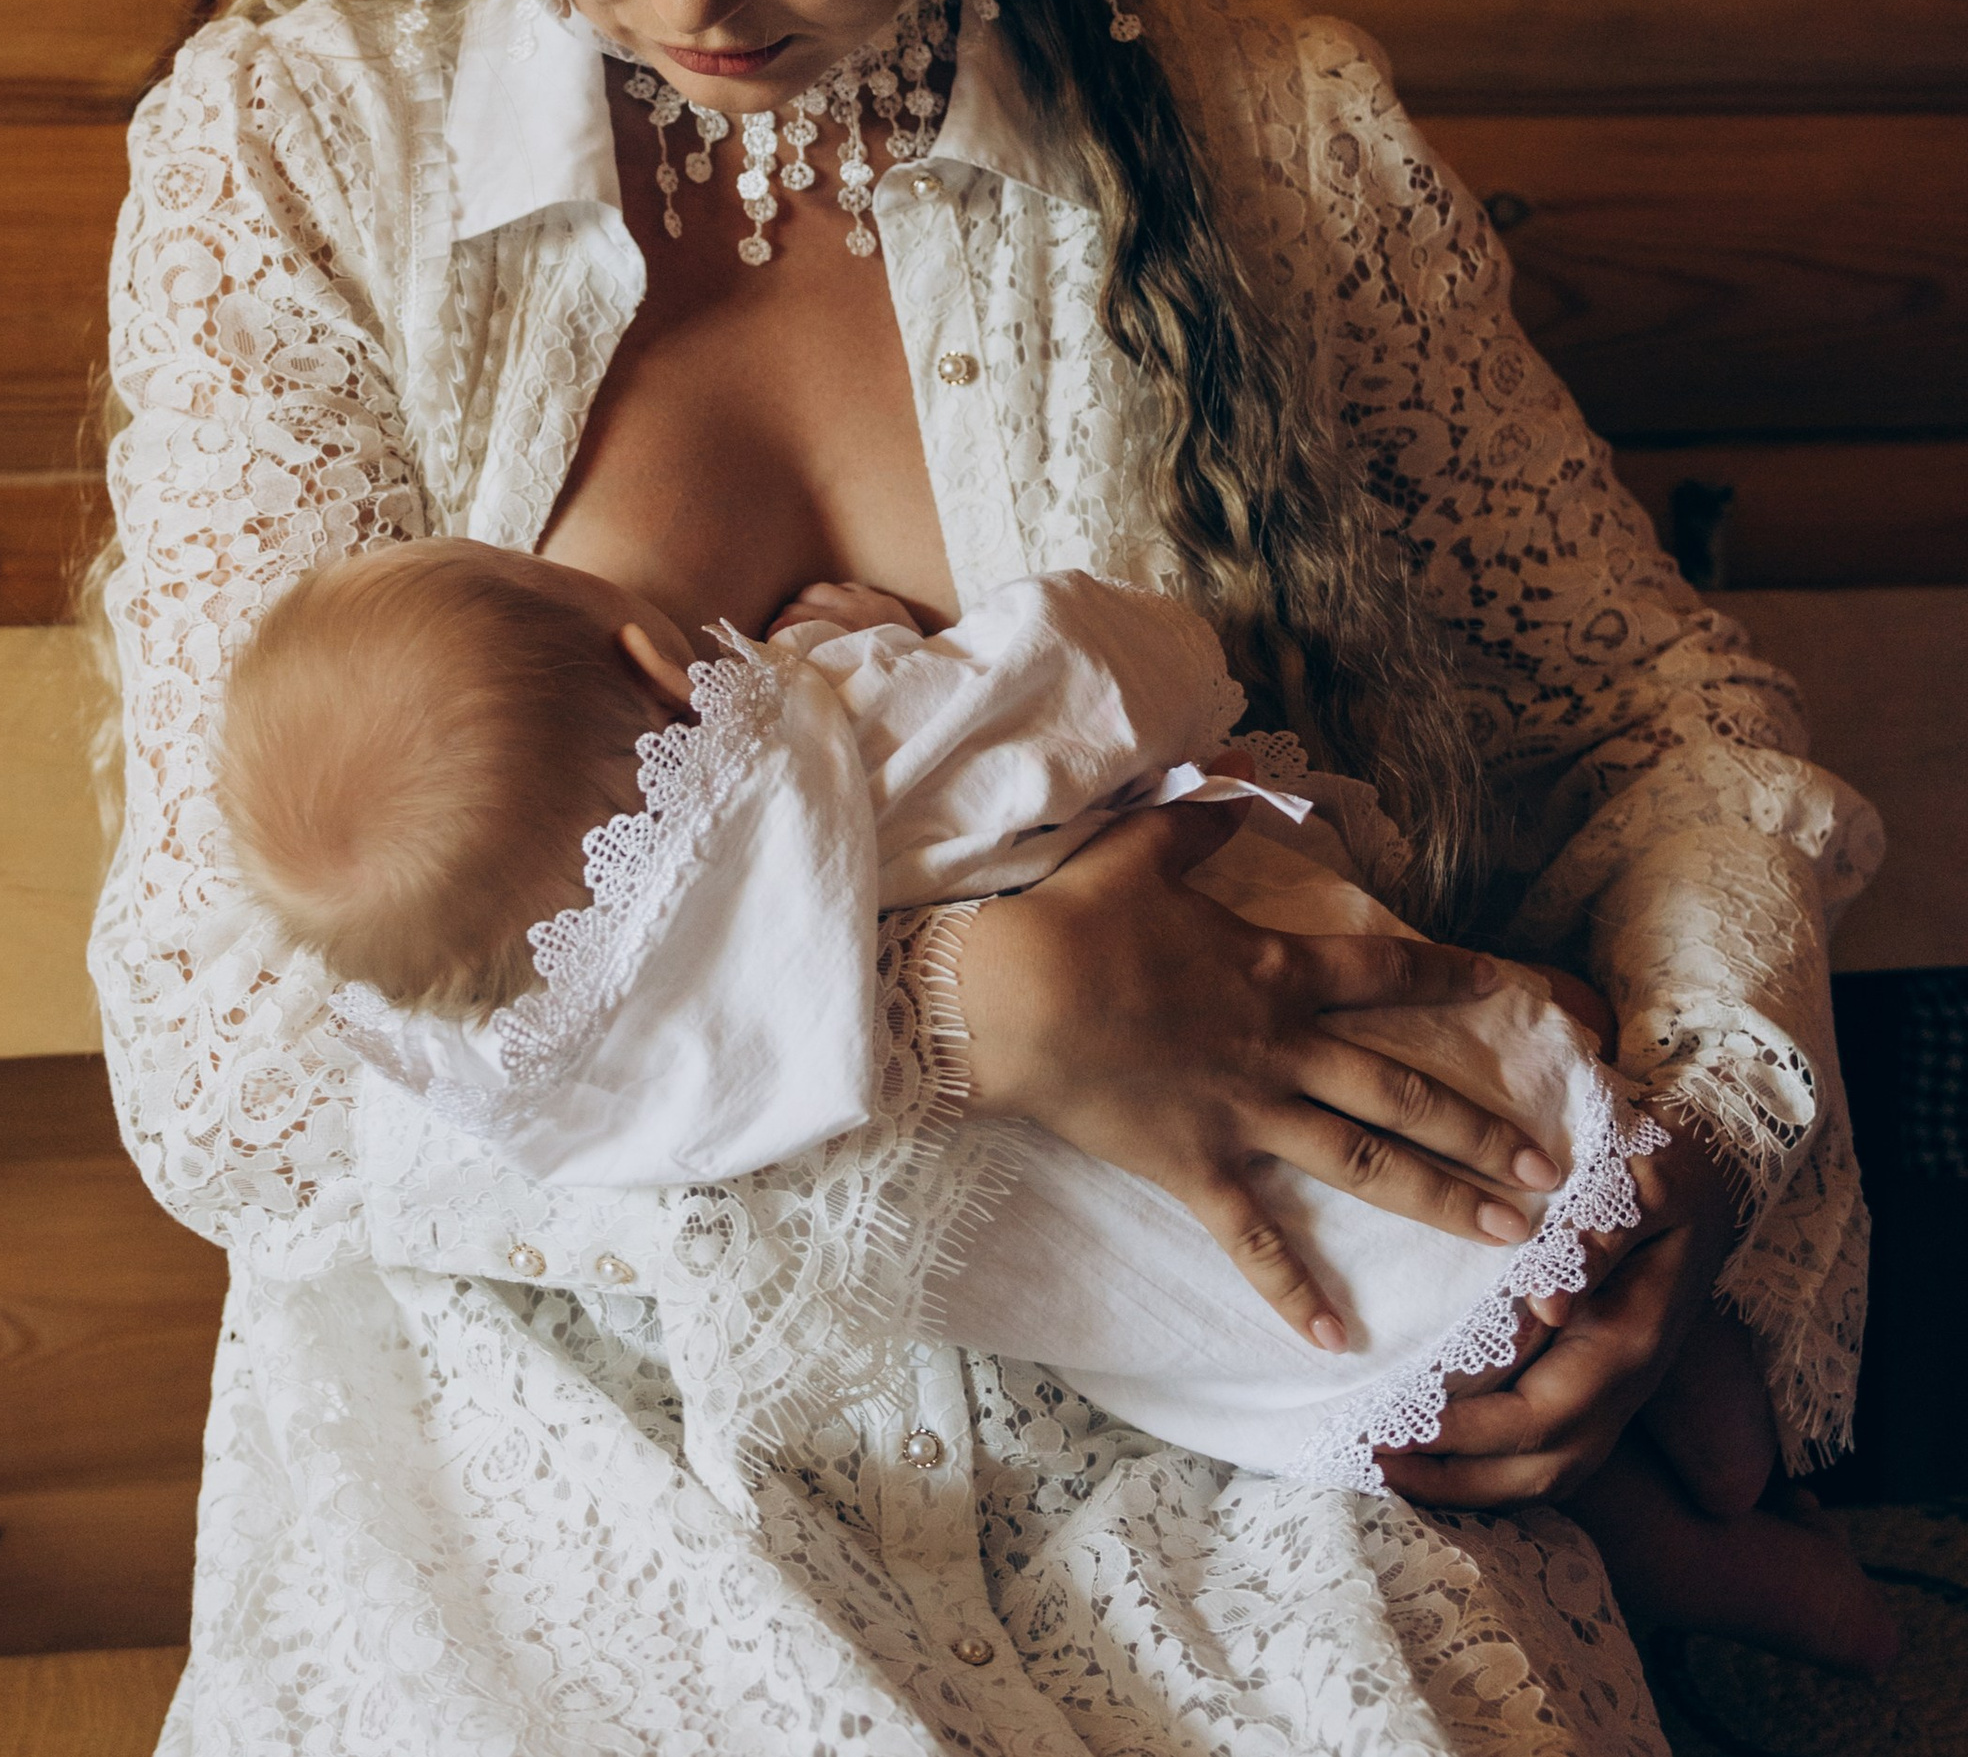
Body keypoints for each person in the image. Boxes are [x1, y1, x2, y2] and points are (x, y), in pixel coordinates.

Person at [93, 0, 1877, 1757]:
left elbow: (1665, 722)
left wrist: (1711, 1163)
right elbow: (230, 1041)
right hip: (569, 1393)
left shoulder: (1260, 139)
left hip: (1238, 1351)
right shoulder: (296, 152)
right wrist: (968, 1012)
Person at [216, 535, 1893, 1671]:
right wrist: (854, 651)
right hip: (1414, 1124)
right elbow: (1114, 669)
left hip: (1226, 1345)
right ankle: (1749, 1477)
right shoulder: (866, 763)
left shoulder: (582, 1093)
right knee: (1557, 1112)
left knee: (1497, 1425)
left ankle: (1729, 1572)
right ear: (660, 658)